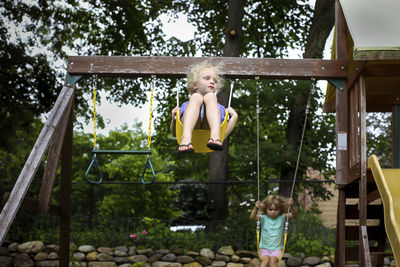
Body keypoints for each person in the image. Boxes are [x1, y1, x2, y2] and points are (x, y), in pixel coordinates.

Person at [170, 61, 238, 153]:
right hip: (189, 133)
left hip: (211, 133)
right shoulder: (187, 106)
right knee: (196, 97)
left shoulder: (219, 109)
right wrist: (174, 120)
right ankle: (186, 137)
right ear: (195, 85)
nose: (212, 82)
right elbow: (175, 133)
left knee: (210, 97)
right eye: (207, 78)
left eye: (215, 81)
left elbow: (223, 135)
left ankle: (215, 136)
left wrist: (234, 117)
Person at [250, 195, 297, 267]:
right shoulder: (263, 218)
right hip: (264, 248)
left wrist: (292, 206)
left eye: (276, 209)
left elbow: (294, 215)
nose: (273, 212)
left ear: (280, 210)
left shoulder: (282, 217)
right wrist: (256, 208)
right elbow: (252, 217)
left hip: (277, 249)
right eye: (270, 209)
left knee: (273, 262)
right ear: (265, 209)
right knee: (265, 262)